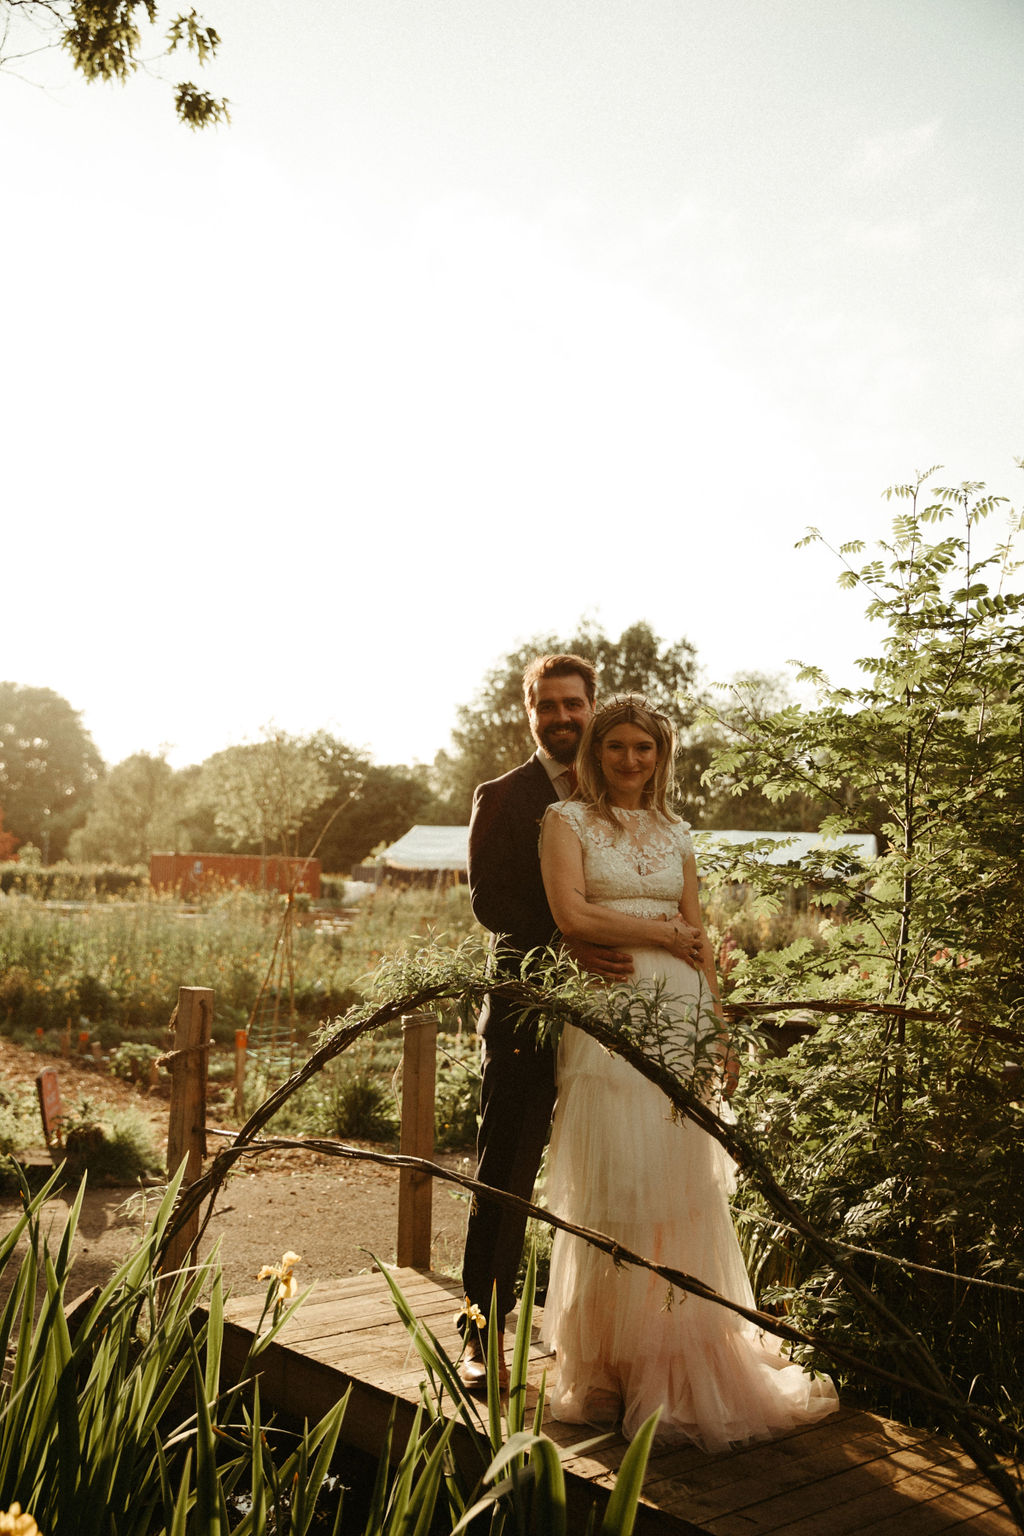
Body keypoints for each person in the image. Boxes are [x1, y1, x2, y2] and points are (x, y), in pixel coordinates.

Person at [538, 695, 839, 1449]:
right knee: (616, 1184)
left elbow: (699, 936)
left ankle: (671, 1358)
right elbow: (574, 917)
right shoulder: (564, 823)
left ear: (661, 755)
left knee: (677, 1183)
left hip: (681, 1014)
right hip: (609, 1022)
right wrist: (659, 930)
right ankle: (608, 1367)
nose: (632, 761)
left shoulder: (677, 831)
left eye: (646, 748)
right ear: (596, 752)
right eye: (619, 748)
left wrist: (720, 1027)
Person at [459, 657, 705, 1390]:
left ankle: (623, 1343)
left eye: (575, 705)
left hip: (628, 1017)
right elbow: (491, 906)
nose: (563, 718)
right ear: (527, 711)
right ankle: (479, 1336)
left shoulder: (625, 802)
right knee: (507, 1174)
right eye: (548, 707)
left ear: (592, 708)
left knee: (625, 1178)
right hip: (534, 1014)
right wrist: (580, 931)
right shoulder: (505, 797)